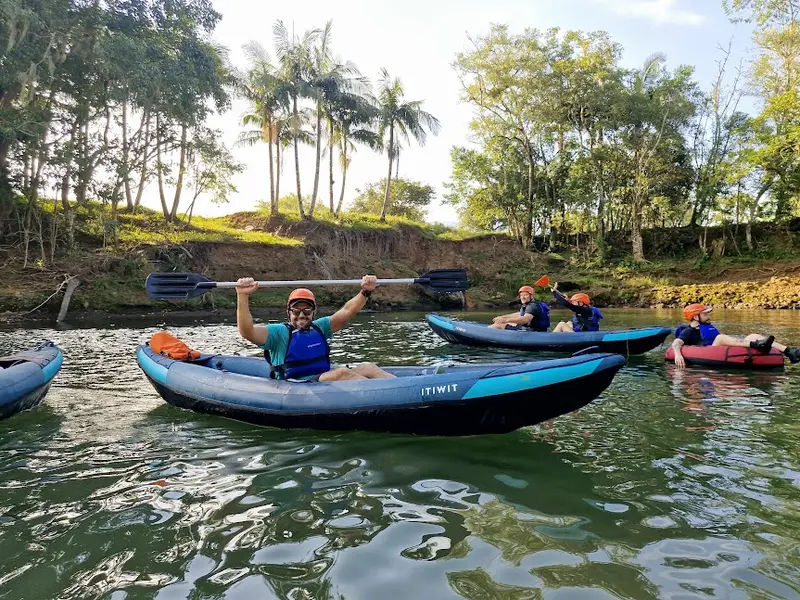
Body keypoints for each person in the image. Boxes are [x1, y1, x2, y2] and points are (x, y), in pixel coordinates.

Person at [235, 274, 396, 381]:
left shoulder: (320, 327)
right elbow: (247, 331)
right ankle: (390, 397)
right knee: (341, 373)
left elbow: (348, 311)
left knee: (368, 368)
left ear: (314, 312)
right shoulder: (279, 333)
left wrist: (365, 291)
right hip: (296, 385)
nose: (301, 315)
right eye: (296, 310)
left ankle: (407, 389)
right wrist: (243, 295)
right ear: (288, 312)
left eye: (307, 310)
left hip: (322, 380)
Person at [671, 303, 800, 369]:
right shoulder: (688, 331)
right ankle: (756, 345)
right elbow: (676, 343)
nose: (708, 316)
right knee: (720, 337)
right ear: (695, 317)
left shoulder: (706, 326)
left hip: (718, 347)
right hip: (709, 349)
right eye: (705, 314)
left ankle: (789, 352)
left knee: (752, 335)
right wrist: (677, 353)